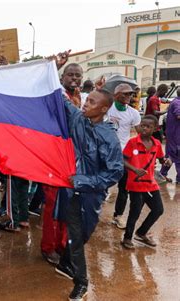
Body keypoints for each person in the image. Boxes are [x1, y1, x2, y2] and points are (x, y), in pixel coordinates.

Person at [55, 89, 124, 301]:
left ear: (103, 109)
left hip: (91, 195)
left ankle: (66, 262)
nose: (85, 104)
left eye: (92, 102)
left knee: (83, 234)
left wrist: (83, 181)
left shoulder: (109, 137)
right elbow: (61, 98)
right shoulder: (78, 118)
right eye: (87, 99)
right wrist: (53, 69)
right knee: (76, 236)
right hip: (70, 190)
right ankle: (81, 282)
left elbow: (115, 172)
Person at [120, 115, 170, 249]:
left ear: (155, 129)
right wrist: (134, 169)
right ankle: (127, 238)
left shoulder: (157, 144)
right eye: (142, 125)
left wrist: (166, 161)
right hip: (135, 184)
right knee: (134, 212)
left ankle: (141, 233)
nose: (144, 128)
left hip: (150, 184)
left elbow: (161, 158)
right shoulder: (132, 142)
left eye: (148, 127)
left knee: (158, 209)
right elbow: (123, 160)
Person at [108, 83, 141, 230]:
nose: (129, 96)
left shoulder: (133, 113)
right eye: (125, 94)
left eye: (130, 94)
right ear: (116, 95)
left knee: (123, 188)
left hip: (124, 155)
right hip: (106, 153)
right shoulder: (107, 108)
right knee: (101, 184)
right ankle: (91, 210)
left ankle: (118, 216)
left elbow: (139, 134)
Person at [160, 88, 180, 183]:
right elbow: (178, 115)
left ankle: (162, 174)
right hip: (175, 134)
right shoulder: (177, 103)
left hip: (174, 134)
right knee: (175, 154)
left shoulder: (176, 101)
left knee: (171, 154)